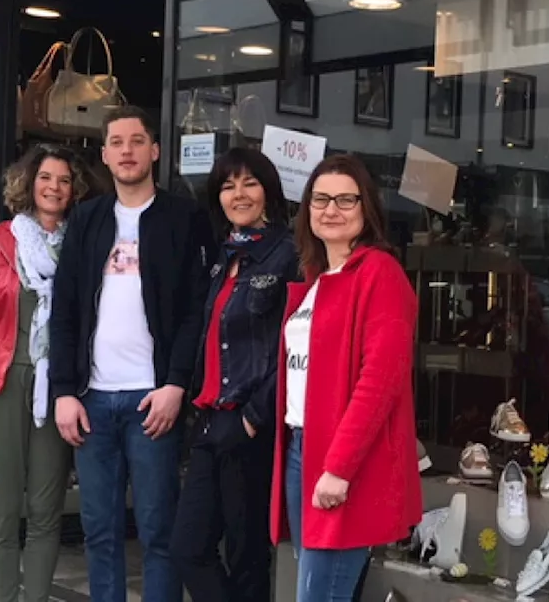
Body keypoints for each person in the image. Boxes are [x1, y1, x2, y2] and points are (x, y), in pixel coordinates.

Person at [49, 107, 214, 602]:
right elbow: (66, 310)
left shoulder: (184, 217)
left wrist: (176, 385)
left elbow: (194, 312)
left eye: (137, 141)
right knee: (99, 532)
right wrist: (63, 391)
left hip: (153, 399)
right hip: (93, 399)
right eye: (117, 143)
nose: (127, 151)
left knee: (159, 531)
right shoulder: (87, 218)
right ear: (104, 154)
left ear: (155, 151)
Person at [270, 154, 422, 602]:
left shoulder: (379, 273)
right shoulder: (319, 279)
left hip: (344, 461)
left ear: (366, 208)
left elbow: (380, 380)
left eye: (345, 199)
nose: (330, 209)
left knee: (319, 594)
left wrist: (338, 467)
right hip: (303, 449)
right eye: (320, 199)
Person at [0, 145, 91, 602]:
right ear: (29, 183)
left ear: (74, 191)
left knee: (46, 510)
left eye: (65, 180)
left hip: (59, 388)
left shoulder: (83, 246)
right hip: (0, 384)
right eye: (46, 177)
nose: (55, 187)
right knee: (1, 510)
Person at [170, 148, 301, 601]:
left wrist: (252, 416)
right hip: (209, 422)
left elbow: (294, 346)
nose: (239, 194)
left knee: (246, 559)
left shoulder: (289, 254)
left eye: (249, 183)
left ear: (268, 191)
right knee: (188, 550)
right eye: (228, 186)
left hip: (249, 424)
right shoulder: (223, 256)